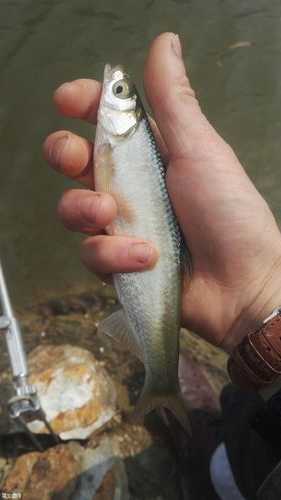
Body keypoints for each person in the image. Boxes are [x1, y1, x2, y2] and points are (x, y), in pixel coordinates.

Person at [43, 33, 281, 499]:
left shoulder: (119, 134)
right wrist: (261, 296)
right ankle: (201, 428)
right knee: (243, 438)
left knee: (233, 458)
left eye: (120, 92)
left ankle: (195, 433)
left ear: (125, 110)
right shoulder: (124, 136)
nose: (116, 85)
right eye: (121, 90)